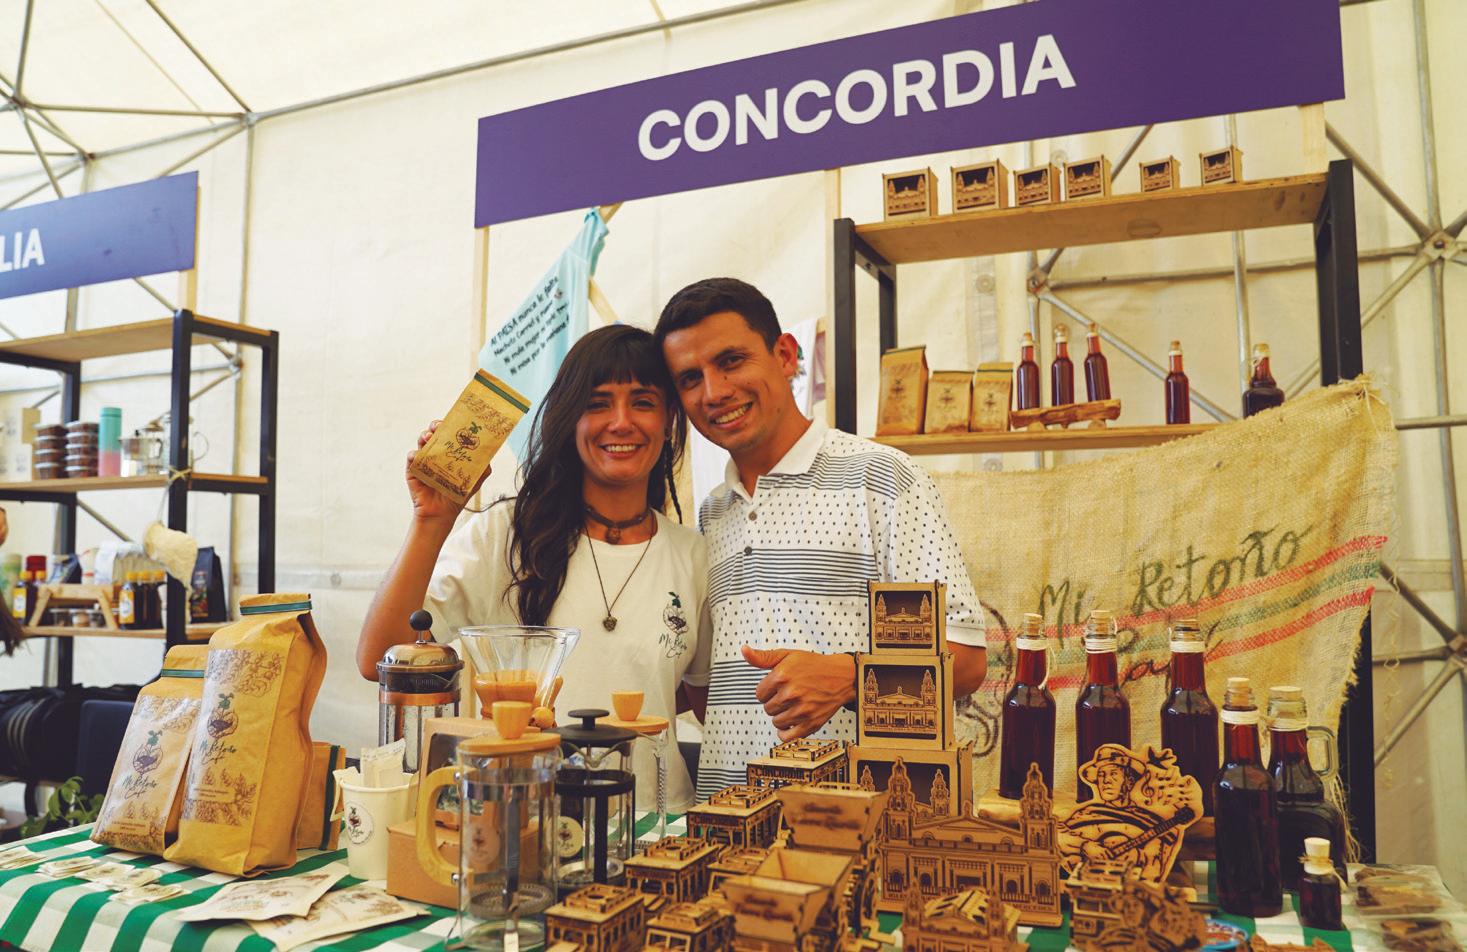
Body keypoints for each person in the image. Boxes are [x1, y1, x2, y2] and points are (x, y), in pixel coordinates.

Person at [654, 277, 987, 798]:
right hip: (725, 819)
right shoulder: (713, 513)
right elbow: (712, 691)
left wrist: (850, 677)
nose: (714, 392)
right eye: (690, 378)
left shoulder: (883, 478)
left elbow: (966, 661)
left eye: (732, 361)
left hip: (852, 821)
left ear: (786, 355)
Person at [357, 324, 712, 812]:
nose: (621, 422)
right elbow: (379, 658)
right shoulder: (506, 535)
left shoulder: (693, 555)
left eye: (643, 402)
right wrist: (430, 521)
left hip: (657, 826)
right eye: (598, 403)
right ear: (569, 418)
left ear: (669, 417)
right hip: (521, 826)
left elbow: (701, 697)